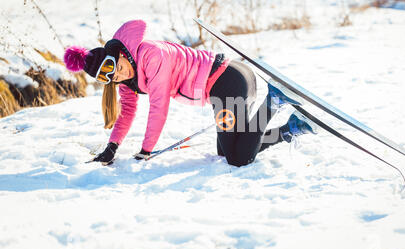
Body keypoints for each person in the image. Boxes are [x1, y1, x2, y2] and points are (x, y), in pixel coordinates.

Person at [63, 20, 316, 166]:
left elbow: (159, 106)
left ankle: (272, 101)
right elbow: (127, 112)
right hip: (227, 85)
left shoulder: (151, 54)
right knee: (228, 150)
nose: (119, 76)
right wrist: (112, 147)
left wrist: (146, 150)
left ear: (121, 54)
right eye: (112, 78)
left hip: (227, 81)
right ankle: (289, 129)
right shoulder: (127, 79)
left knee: (238, 158)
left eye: (117, 68)